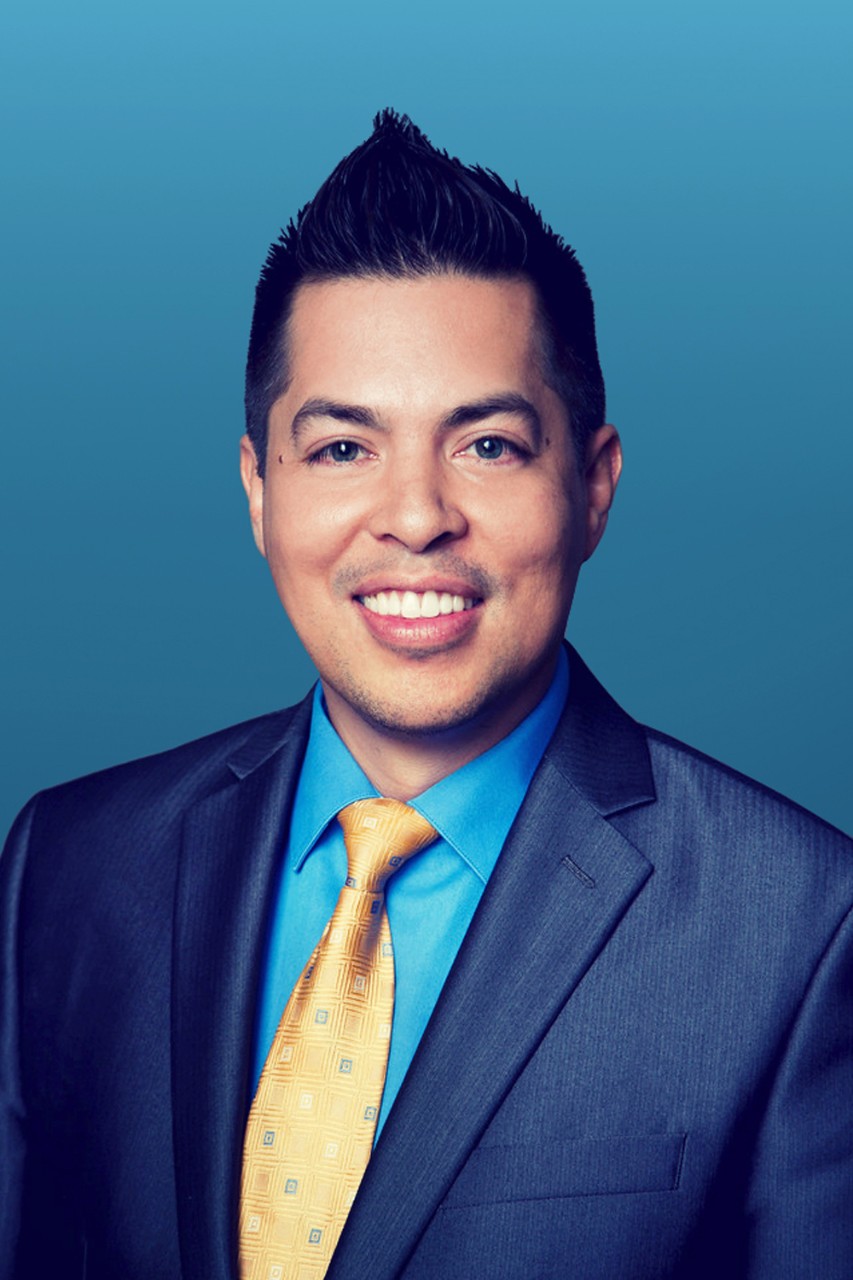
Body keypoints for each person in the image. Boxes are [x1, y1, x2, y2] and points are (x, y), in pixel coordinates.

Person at [1, 110, 851, 1280]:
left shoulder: (801, 924)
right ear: (258, 488)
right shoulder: (71, 863)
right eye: (342, 449)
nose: (413, 516)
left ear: (592, 486)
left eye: (488, 445)